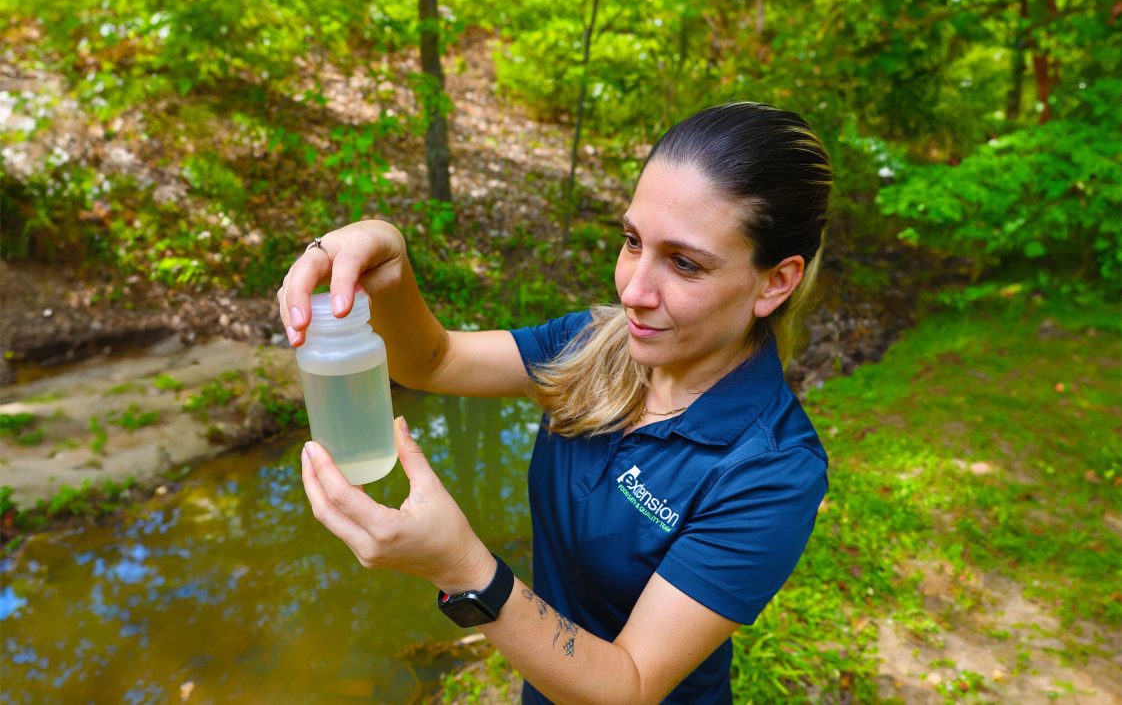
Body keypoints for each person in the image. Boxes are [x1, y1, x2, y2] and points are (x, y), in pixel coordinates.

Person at [276, 101, 832, 704]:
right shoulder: (593, 346)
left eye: (684, 263)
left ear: (775, 282)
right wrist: (389, 255)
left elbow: (632, 686)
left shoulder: (772, 470)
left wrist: (464, 569)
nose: (633, 290)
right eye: (631, 241)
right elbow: (431, 361)